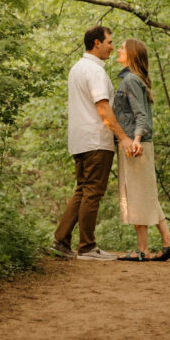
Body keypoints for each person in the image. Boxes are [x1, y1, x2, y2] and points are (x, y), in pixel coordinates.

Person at [51, 26, 137, 261]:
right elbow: (103, 109)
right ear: (96, 43)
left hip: (79, 141)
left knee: (82, 190)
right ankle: (87, 247)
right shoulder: (95, 72)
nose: (112, 46)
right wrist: (123, 137)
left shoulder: (77, 68)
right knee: (92, 192)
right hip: (96, 140)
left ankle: (61, 241)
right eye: (109, 42)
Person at [112, 38, 170, 262]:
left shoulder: (130, 80)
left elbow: (141, 114)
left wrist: (137, 140)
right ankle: (160, 244)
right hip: (136, 143)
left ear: (131, 54)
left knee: (139, 194)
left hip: (135, 145)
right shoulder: (133, 79)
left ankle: (154, 246)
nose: (118, 50)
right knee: (141, 194)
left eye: (122, 47)